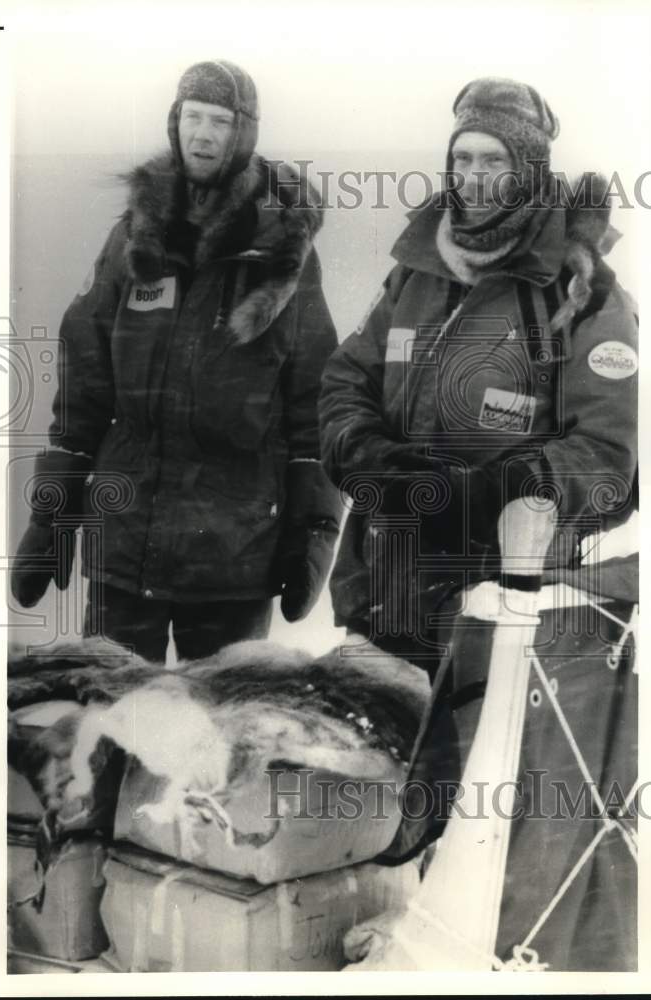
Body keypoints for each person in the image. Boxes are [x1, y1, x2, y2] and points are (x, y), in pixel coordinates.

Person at [319, 78, 638, 969]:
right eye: (462, 156)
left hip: (497, 616)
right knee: (374, 810)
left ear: (528, 166)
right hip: (382, 590)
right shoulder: (416, 272)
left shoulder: (581, 297)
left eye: (493, 158)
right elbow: (344, 380)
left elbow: (608, 467)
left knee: (475, 833)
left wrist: (499, 489)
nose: (472, 174)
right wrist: (365, 454)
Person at [12, 60, 342, 663]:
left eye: (220, 122)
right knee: (108, 726)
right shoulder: (134, 237)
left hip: (234, 557)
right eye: (193, 117)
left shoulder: (283, 253)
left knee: (220, 738)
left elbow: (313, 402)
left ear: (243, 133)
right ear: (175, 122)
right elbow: (83, 385)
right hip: (126, 538)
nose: (204, 135)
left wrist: (312, 531)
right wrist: (51, 515)